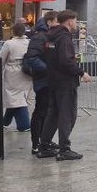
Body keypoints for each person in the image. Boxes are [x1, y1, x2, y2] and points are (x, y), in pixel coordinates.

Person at [35, 10, 91, 161]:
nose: (77, 24)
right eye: (76, 20)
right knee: (67, 115)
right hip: (65, 81)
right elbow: (66, 60)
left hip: (52, 79)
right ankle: (64, 148)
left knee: (53, 114)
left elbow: (47, 56)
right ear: (70, 21)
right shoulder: (64, 37)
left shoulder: (50, 36)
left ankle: (45, 145)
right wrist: (81, 72)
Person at [24, 11, 58, 154]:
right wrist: (49, 70)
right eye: (57, 21)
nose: (58, 24)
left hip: (50, 80)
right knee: (41, 111)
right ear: (49, 22)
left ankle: (45, 140)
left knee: (48, 112)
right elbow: (32, 58)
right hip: (43, 80)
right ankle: (36, 143)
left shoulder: (50, 36)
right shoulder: (39, 37)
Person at [0, 22, 33, 133]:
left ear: (13, 31)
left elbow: (1, 59)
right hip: (27, 70)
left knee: (14, 97)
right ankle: (5, 122)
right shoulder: (29, 42)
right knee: (19, 97)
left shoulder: (9, 43)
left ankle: (24, 124)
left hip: (13, 71)